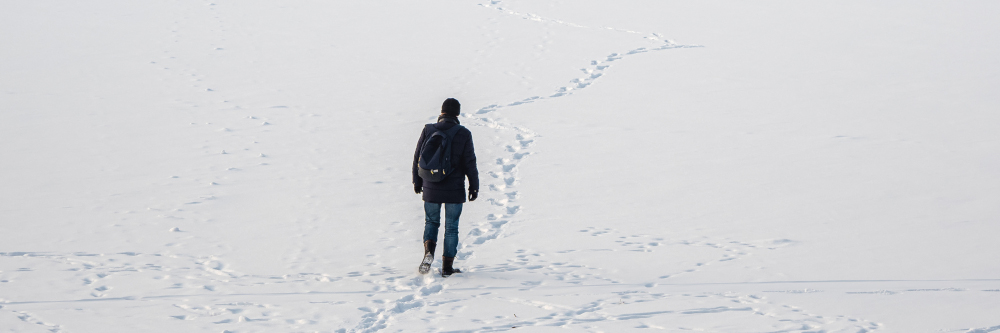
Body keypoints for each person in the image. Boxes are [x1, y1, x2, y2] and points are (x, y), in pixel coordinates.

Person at [412, 98, 479, 277]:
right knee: (451, 227)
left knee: (431, 222)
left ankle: (428, 253)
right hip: (454, 189)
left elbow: (417, 156)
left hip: (430, 185)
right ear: (457, 114)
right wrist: (474, 186)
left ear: (441, 112)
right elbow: (469, 163)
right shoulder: (463, 133)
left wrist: (417, 181)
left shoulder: (428, 130)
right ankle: (447, 267)